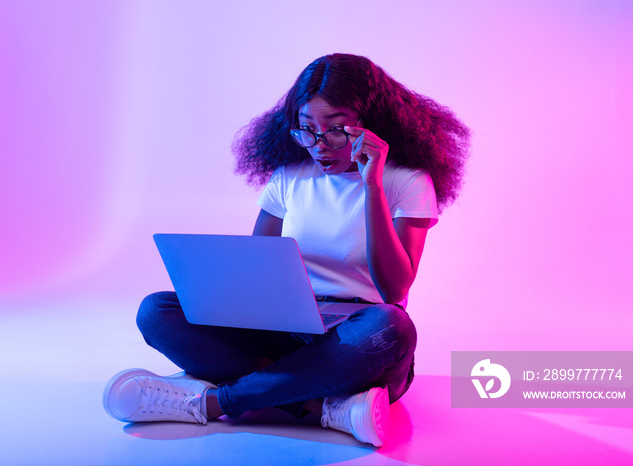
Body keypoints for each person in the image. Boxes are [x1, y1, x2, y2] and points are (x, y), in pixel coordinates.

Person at [103, 53, 470, 447]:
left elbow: (394, 290)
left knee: (392, 326)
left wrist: (372, 187)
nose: (319, 145)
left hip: (358, 341)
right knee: (158, 311)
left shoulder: (407, 181)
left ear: (371, 124)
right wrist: (224, 299)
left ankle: (210, 402)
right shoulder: (289, 178)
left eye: (336, 129)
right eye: (307, 129)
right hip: (287, 330)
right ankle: (322, 407)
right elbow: (258, 272)